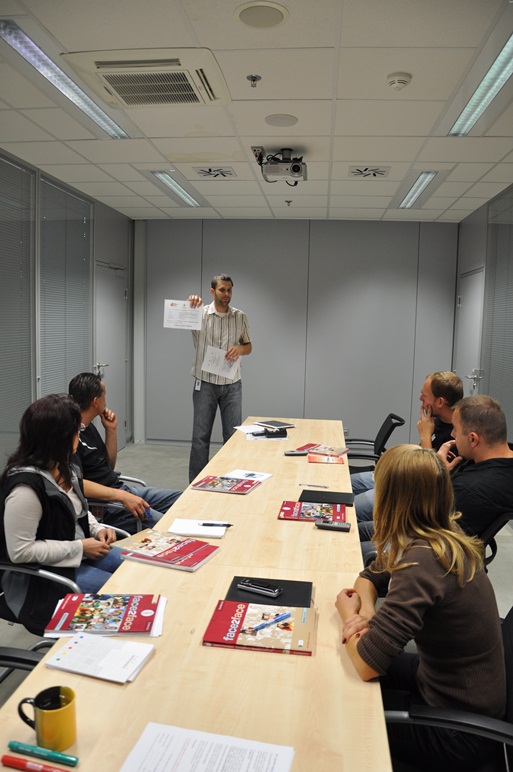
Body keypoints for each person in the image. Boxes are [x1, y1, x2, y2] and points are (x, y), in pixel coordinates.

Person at [336, 444, 505, 772]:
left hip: (458, 732)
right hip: (446, 686)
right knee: (338, 670)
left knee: (341, 714)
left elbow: (368, 664)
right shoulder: (441, 532)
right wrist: (367, 613)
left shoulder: (423, 560)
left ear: (392, 499)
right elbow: (369, 577)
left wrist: (348, 615)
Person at [0, 394, 123, 633]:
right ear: (62, 438)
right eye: (77, 430)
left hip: (75, 555)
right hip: (40, 581)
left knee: (136, 569)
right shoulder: (25, 489)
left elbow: (77, 510)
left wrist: (97, 529)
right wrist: (80, 548)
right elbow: (20, 552)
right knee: (121, 593)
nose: (80, 435)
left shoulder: (64, 467)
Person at [69, 373, 181, 534]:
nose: (106, 400)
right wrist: (120, 496)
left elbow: (109, 466)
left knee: (183, 499)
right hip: (108, 505)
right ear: (95, 401)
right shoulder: (70, 435)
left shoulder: (88, 426)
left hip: (121, 490)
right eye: (104, 395)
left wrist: (111, 430)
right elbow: (74, 483)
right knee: (168, 526)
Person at [353, 371, 463, 523]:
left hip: (411, 491)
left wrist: (425, 437)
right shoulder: (435, 421)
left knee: (352, 511)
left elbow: (431, 479)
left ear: (440, 402)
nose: (420, 399)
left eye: (424, 395)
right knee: (348, 483)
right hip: (403, 476)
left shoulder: (457, 437)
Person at [188, 274, 252, 482]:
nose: (226, 294)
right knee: (200, 438)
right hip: (205, 383)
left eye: (229, 290)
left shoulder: (240, 317)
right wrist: (191, 304)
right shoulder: (200, 314)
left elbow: (248, 346)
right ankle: (195, 485)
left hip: (232, 385)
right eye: (222, 290)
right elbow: (183, 315)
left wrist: (240, 349)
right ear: (212, 291)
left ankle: (232, 482)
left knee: (232, 437)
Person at [437, 394, 513, 536]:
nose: (452, 434)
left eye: (455, 429)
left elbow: (432, 532)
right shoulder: (503, 460)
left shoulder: (468, 490)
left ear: (473, 439)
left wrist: (437, 475)